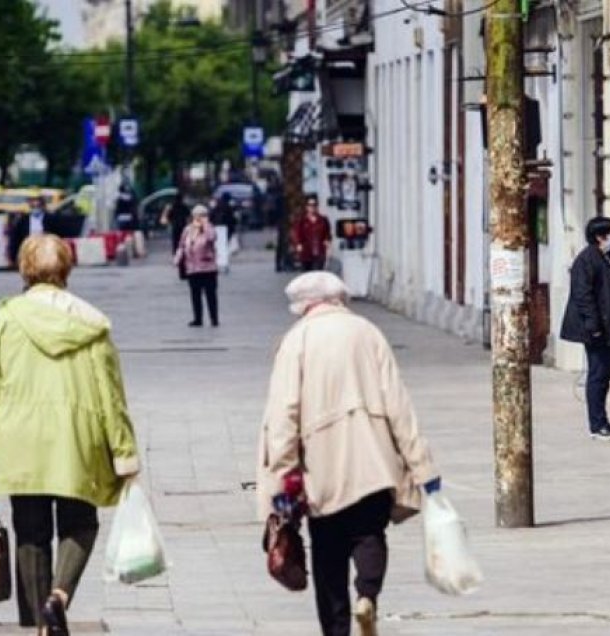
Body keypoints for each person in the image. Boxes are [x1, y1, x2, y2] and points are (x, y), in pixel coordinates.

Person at [0, 234, 140, 635]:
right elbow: (112, 395)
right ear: (66, 269)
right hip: (77, 439)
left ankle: (38, 625)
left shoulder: (6, 319)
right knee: (80, 522)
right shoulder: (91, 323)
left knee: (31, 530)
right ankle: (59, 597)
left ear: (25, 269)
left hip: (20, 441)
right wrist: (124, 453)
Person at [257, 271, 441, 636]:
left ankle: (337, 628)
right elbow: (399, 405)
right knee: (370, 534)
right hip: (374, 459)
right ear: (339, 298)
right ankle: (367, 595)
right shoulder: (367, 332)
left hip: (320, 468)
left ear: (302, 305)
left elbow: (283, 414)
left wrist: (282, 472)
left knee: (327, 548)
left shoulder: (297, 341)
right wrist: (423, 467)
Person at [560, 216, 610, 441]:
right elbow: (583, 295)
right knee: (598, 374)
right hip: (597, 328)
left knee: (606, 373)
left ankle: (603, 421)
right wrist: (594, 326)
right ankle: (596, 425)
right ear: (600, 237)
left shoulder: (609, 257)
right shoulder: (587, 260)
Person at [175, 204, 219, 327]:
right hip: (193, 268)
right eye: (196, 215)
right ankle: (197, 318)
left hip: (208, 268)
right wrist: (178, 259)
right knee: (195, 295)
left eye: (202, 215)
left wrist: (205, 225)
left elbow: (212, 238)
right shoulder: (188, 230)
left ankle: (214, 318)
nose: (198, 218)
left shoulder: (209, 228)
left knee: (211, 295)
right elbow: (182, 245)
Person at [8, 189, 64, 266]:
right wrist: (13, 257)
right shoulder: (22, 220)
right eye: (32, 201)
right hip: (28, 253)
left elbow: (58, 237)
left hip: (46, 253)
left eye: (38, 200)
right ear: (29, 203)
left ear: (42, 202)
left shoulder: (51, 219)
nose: (35, 203)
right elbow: (15, 239)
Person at [293, 195, 332, 271]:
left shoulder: (323, 220)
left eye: (314, 205)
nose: (312, 207)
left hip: (319, 251)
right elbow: (297, 233)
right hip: (306, 252)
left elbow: (327, 234)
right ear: (307, 207)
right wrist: (298, 244)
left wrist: (327, 243)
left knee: (317, 272)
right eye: (310, 205)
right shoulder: (302, 221)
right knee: (307, 273)